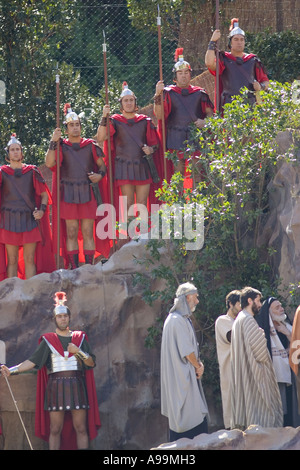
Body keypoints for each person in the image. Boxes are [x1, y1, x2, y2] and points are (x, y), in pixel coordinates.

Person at [0, 291, 100, 450]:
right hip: (56, 387)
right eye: (60, 317)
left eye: (65, 316)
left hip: (77, 385)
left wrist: (78, 351)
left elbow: (91, 362)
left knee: (81, 428)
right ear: (55, 319)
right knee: (55, 429)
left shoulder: (79, 338)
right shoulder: (48, 341)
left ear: (69, 318)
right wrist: (11, 371)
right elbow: (32, 361)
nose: (63, 319)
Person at [45, 103, 110, 269]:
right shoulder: (61, 146)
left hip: (87, 192)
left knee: (88, 231)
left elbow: (102, 166)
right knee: (72, 231)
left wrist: (99, 176)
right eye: (72, 125)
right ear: (67, 129)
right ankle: (74, 268)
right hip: (68, 194)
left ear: (81, 127)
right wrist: (53, 141)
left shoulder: (90, 145)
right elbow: (49, 162)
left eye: (77, 125)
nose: (75, 128)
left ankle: (88, 267)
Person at [97, 82, 162, 240]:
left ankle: (145, 239)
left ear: (135, 102)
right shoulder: (114, 120)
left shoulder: (144, 121)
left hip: (142, 166)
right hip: (123, 167)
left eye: (131, 100)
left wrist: (150, 149)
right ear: (121, 104)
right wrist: (104, 117)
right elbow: (101, 137)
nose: (128, 103)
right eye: (125, 100)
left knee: (142, 204)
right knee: (128, 205)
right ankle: (131, 239)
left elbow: (155, 143)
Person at [0, 133, 55, 280]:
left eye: (18, 149)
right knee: (11, 261)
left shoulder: (31, 171)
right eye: (12, 149)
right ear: (8, 153)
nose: (15, 152)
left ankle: (30, 294)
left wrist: (42, 211)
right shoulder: (2, 173)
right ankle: (12, 295)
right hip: (8, 221)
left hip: (29, 220)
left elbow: (44, 195)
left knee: (30, 259)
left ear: (22, 152)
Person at [154, 48, 213, 180]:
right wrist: (157, 94)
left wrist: (206, 122)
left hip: (195, 137)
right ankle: (179, 201)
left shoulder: (200, 93)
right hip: (175, 137)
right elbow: (159, 115)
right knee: (178, 175)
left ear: (190, 74)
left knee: (196, 174)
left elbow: (211, 116)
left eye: (186, 72)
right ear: (175, 76)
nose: (184, 75)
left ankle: (196, 200)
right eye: (180, 73)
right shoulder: (168, 93)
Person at [160, 282, 209, 441]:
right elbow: (187, 352)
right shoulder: (177, 320)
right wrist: (198, 366)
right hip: (182, 380)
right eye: (195, 297)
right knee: (190, 425)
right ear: (187, 297)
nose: (197, 301)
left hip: (182, 379)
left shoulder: (176, 319)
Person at [230, 286, 283, 430]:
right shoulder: (248, 320)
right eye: (258, 301)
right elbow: (260, 353)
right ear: (249, 300)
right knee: (262, 416)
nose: (260, 304)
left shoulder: (239, 319)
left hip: (245, 373)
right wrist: (261, 334)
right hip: (253, 376)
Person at [205, 18, 269, 113]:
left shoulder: (252, 60)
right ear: (230, 42)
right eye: (236, 39)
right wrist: (212, 41)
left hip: (250, 106)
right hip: (228, 107)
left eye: (241, 39)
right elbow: (209, 63)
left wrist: (261, 86)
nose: (239, 42)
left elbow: (266, 81)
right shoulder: (224, 59)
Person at [256, 297, 300, 427]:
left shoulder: (287, 326)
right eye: (277, 307)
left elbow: (296, 343)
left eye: (281, 306)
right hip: (274, 374)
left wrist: (286, 333)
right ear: (268, 312)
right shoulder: (263, 329)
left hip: (290, 371)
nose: (282, 309)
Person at [215, 290, 241, 429]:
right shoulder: (223, 320)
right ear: (230, 304)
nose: (241, 307)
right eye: (238, 304)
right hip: (229, 371)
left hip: (242, 371)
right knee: (232, 411)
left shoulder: (240, 321)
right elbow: (234, 337)